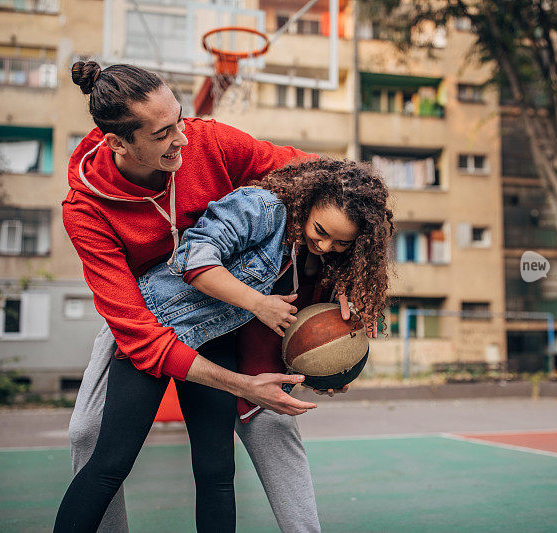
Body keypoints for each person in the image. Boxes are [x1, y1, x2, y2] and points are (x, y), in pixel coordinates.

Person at [54, 61, 340, 532]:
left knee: (216, 469)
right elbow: (137, 332)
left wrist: (353, 263)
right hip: (146, 317)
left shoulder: (207, 142)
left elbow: (315, 174)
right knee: (99, 451)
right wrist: (239, 384)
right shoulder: (86, 209)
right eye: (164, 133)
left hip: (221, 315)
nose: (182, 139)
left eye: (180, 120)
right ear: (119, 143)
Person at [138, 158, 394, 426]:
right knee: (108, 453)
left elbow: (303, 338)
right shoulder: (262, 209)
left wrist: (327, 370)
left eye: (341, 243)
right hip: (153, 324)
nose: (326, 245)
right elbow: (193, 259)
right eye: (321, 231)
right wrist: (258, 303)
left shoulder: (330, 267)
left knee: (216, 464)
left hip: (224, 354)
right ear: (311, 200)